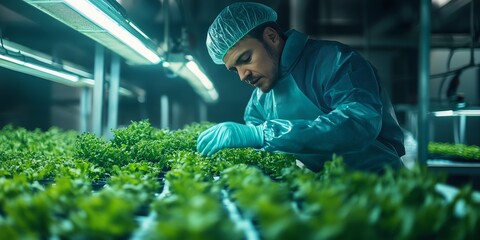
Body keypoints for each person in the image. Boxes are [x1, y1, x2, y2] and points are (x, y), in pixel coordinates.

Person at [196, 2, 405, 172]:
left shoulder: (336, 61)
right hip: (328, 196)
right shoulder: (259, 102)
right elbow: (266, 157)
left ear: (272, 37)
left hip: (384, 188)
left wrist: (263, 135)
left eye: (246, 58)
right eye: (235, 69)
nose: (243, 75)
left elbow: (359, 123)